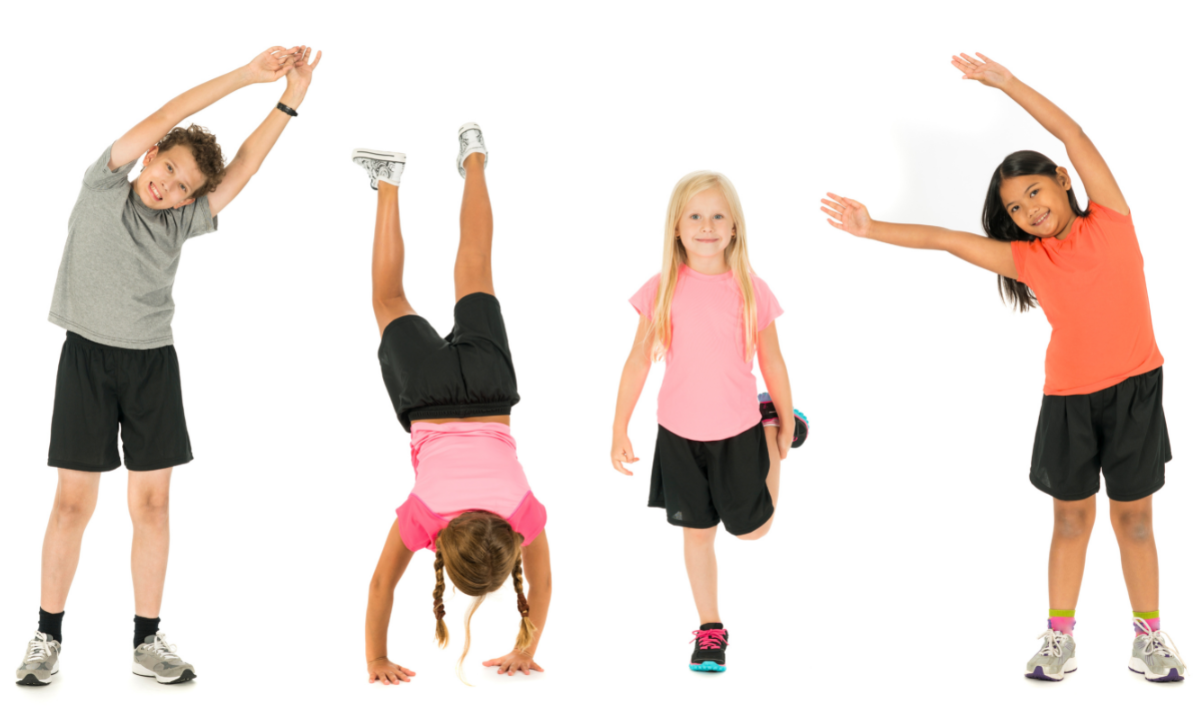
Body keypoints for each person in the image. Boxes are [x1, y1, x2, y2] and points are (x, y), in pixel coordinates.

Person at [821, 53, 1185, 683]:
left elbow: (1072, 134)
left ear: (1063, 182)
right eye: (1015, 209)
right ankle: (1059, 638)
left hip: (1135, 393)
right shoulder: (1028, 262)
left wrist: (1009, 84)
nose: (1028, 210)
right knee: (1070, 519)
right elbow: (942, 238)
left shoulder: (1113, 218)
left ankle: (1148, 635)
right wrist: (871, 227)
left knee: (1136, 519)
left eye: (1034, 193)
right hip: (1069, 400)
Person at [14, 46, 321, 687]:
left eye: (184, 186)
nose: (169, 187)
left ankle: (146, 641)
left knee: (152, 506)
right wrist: (244, 76)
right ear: (151, 155)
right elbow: (170, 113)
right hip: (87, 360)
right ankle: (46, 635)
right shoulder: (104, 184)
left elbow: (245, 168)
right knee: (72, 505)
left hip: (153, 366)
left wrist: (290, 98)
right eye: (169, 169)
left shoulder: (181, 223)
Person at [356, 125, 552, 685]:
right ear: (442, 545)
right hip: (428, 396)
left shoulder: (523, 517)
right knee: (389, 297)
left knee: (475, 265)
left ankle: (474, 159)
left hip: (491, 393)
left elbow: (543, 584)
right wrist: (375, 659)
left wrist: (526, 642)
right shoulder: (426, 518)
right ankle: (388, 183)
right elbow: (380, 586)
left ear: (509, 545)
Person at [611, 171, 804, 673]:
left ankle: (768, 424)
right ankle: (710, 629)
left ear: (735, 227)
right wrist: (619, 428)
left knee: (753, 532)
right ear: (676, 227)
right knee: (696, 534)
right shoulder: (661, 288)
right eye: (695, 216)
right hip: (678, 436)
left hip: (739, 430)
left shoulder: (750, 289)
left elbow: (774, 362)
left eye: (719, 215)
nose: (707, 225)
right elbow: (636, 360)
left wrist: (783, 421)